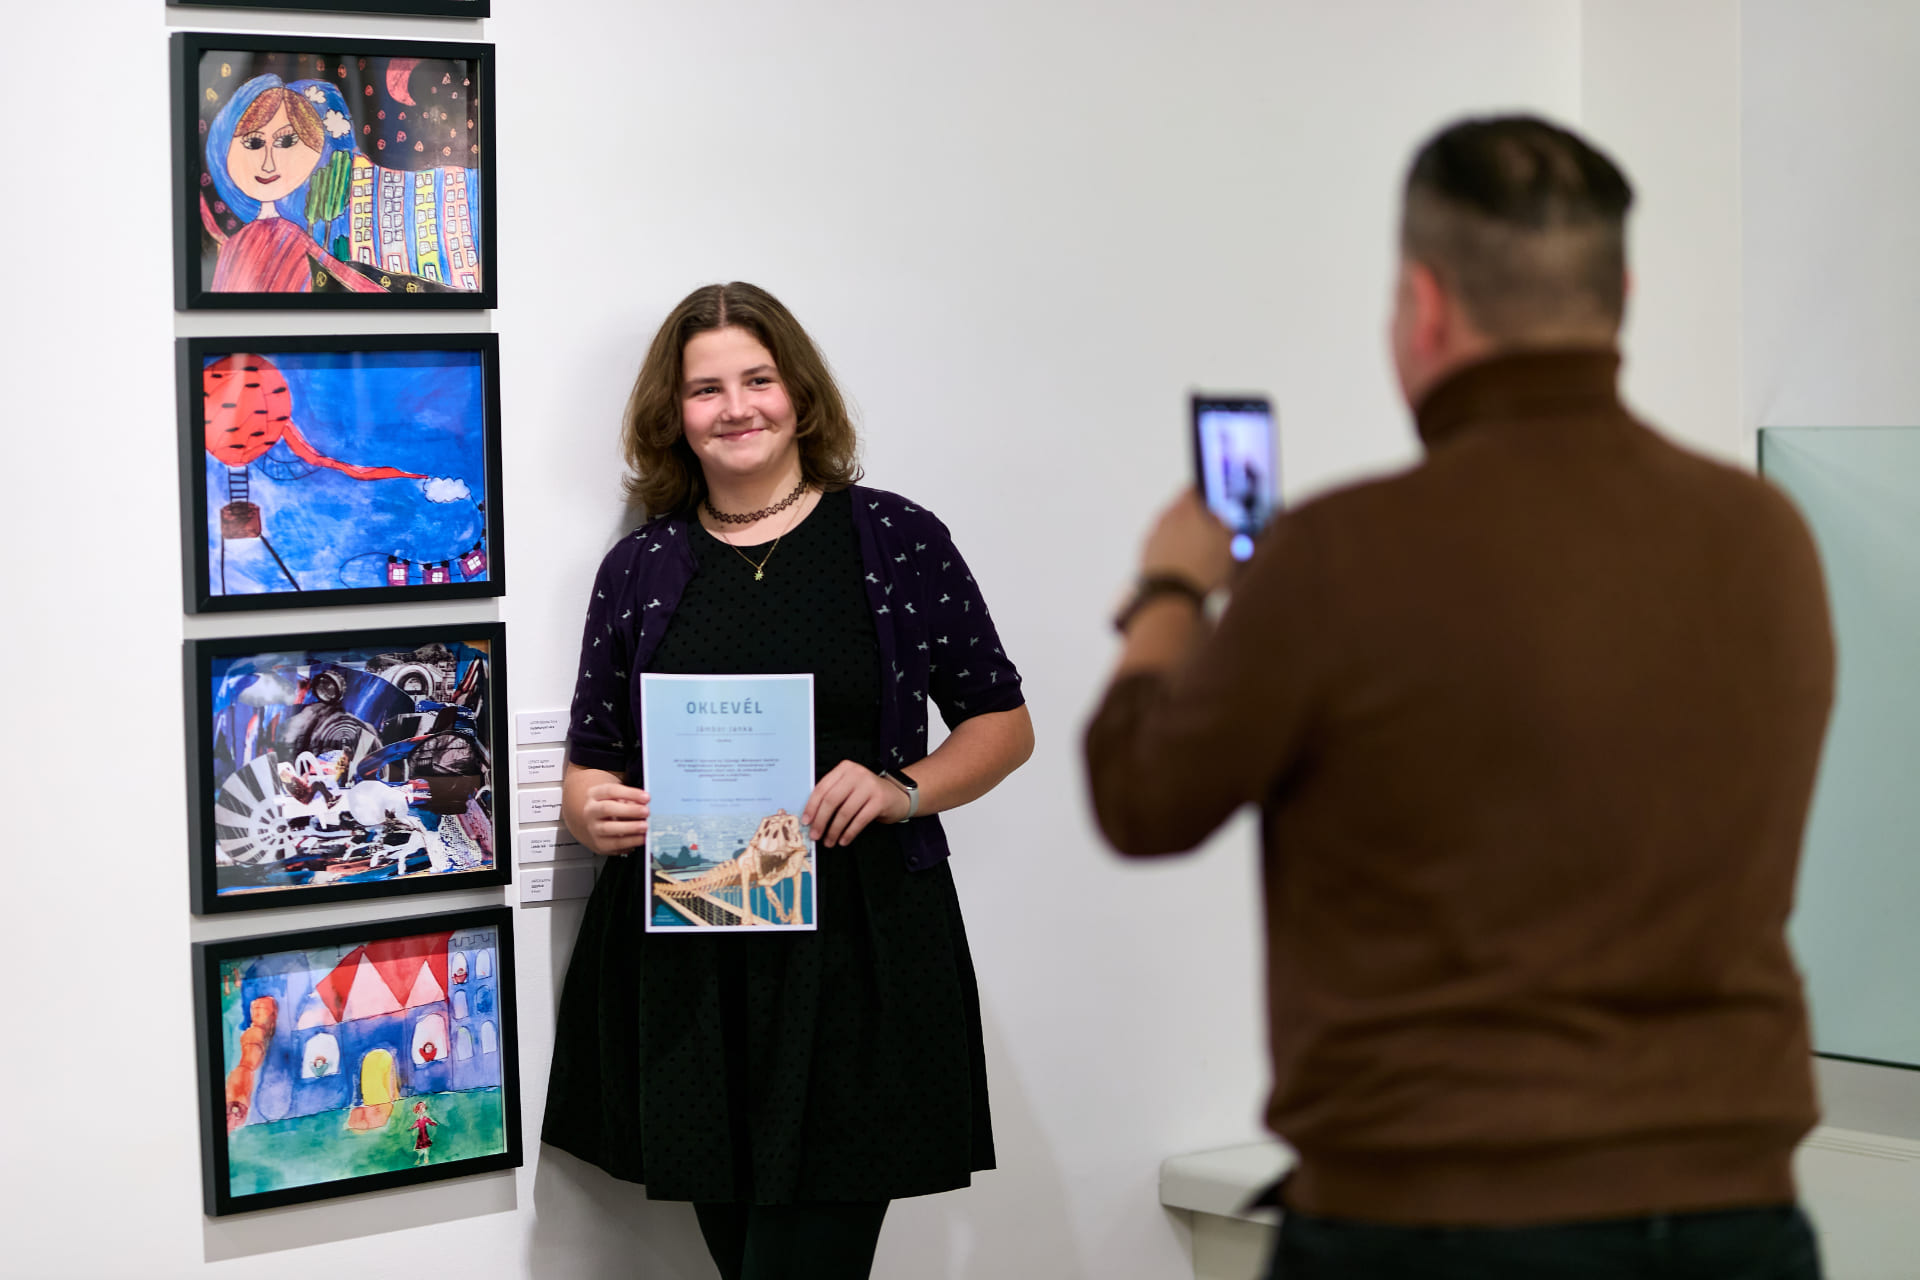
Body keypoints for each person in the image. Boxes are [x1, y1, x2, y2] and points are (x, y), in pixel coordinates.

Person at [1084, 115, 1833, 1279]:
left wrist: (1171, 591)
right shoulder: (1764, 535)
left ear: (1424, 307)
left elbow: (1142, 797)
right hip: (1730, 1213)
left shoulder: (1340, 552)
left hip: (1432, 1216)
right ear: (1621, 296)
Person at [542, 282, 1034, 1280]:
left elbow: (1003, 723)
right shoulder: (638, 567)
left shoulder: (896, 538)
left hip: (859, 948)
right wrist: (590, 807)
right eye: (706, 389)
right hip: (692, 957)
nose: (736, 408)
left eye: (758, 380)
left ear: (800, 393)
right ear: (674, 414)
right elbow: (593, 754)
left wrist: (902, 788)